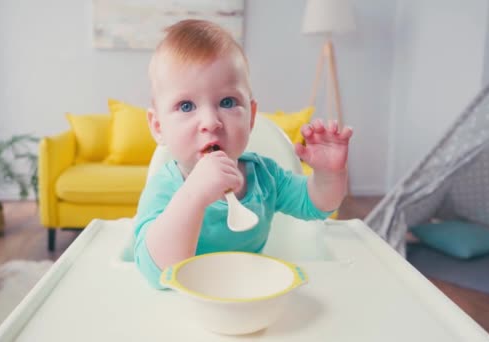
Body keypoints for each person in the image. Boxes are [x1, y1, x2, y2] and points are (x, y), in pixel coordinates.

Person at [134, 19, 353, 289]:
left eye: (227, 102)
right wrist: (193, 196)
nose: (210, 121)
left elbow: (317, 205)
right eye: (186, 105)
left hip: (247, 294)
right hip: (185, 304)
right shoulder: (166, 188)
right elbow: (157, 273)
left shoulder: (264, 177)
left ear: (250, 117)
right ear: (158, 127)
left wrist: (330, 175)